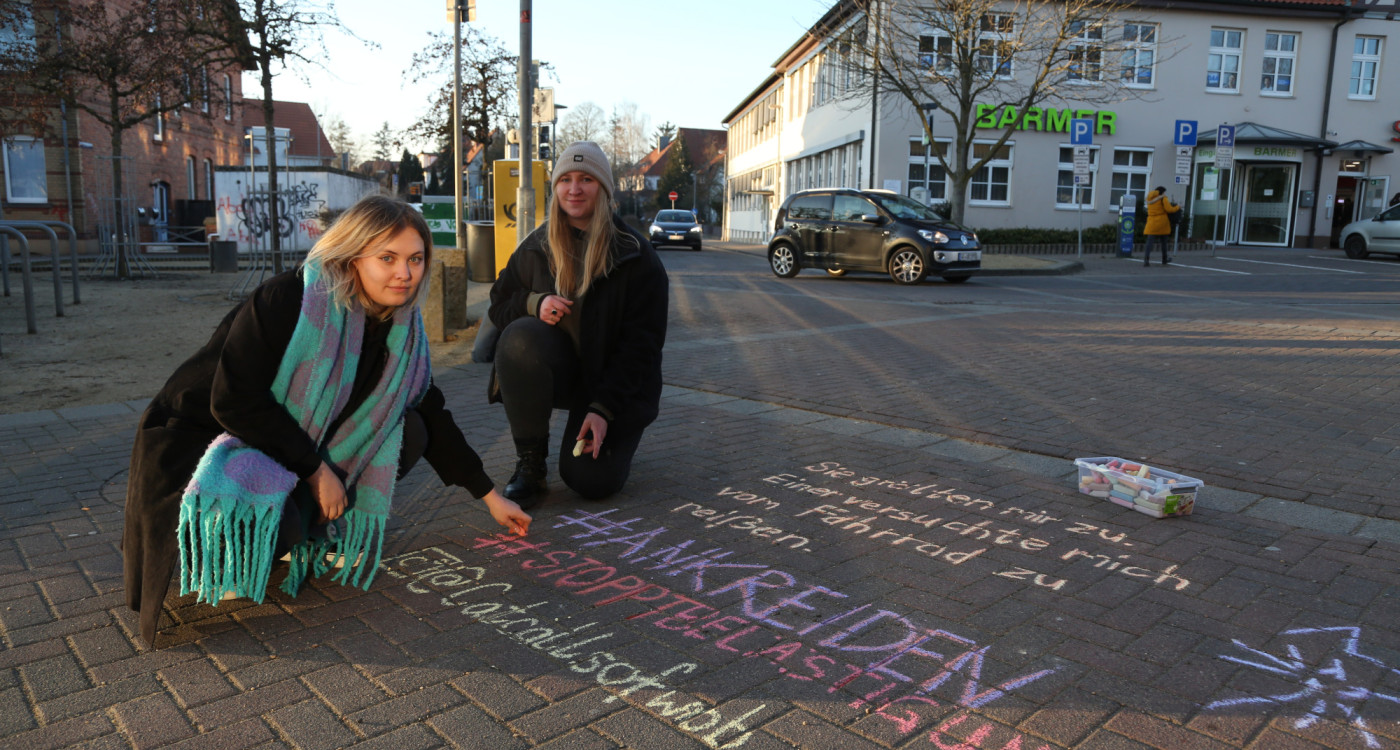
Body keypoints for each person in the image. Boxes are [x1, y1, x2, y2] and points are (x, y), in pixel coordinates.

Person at [123, 195, 531, 648]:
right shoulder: (289, 299)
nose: (405, 273)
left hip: (278, 439)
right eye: (387, 258)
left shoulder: (403, 326)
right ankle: (235, 551)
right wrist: (316, 473)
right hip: (203, 441)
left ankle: (307, 529)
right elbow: (234, 401)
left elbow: (430, 409)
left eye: (416, 259)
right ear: (352, 256)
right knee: (274, 509)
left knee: (409, 427)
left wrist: (489, 495)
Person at [487, 140, 669, 509]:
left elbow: (642, 347)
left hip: (612, 385)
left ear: (602, 187)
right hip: (564, 372)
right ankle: (531, 462)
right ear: (554, 187)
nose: (574, 188)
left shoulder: (636, 256)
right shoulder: (536, 245)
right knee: (520, 336)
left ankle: (614, 434)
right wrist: (533, 303)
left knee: (590, 480)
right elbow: (499, 303)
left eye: (586, 178)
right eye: (565, 179)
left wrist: (603, 409)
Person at [1142, 186, 1181, 267]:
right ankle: (1164, 259)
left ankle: (1146, 260)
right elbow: (1169, 209)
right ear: (1162, 192)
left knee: (1149, 242)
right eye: (1164, 192)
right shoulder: (1163, 198)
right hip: (1162, 222)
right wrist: (1178, 207)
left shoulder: (1150, 198)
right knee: (1163, 242)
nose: (1165, 193)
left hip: (1152, 222)